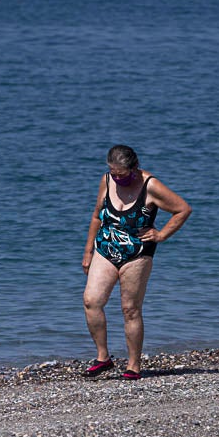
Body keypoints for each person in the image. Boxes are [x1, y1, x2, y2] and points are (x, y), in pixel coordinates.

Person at [81, 145, 191, 380]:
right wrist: (88, 251)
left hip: (138, 253)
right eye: (114, 172)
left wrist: (161, 235)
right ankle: (103, 358)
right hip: (105, 248)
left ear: (134, 168)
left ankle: (133, 366)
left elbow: (182, 209)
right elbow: (96, 215)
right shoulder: (107, 181)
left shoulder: (150, 185)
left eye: (122, 173)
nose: (117, 177)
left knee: (130, 309)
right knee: (91, 301)